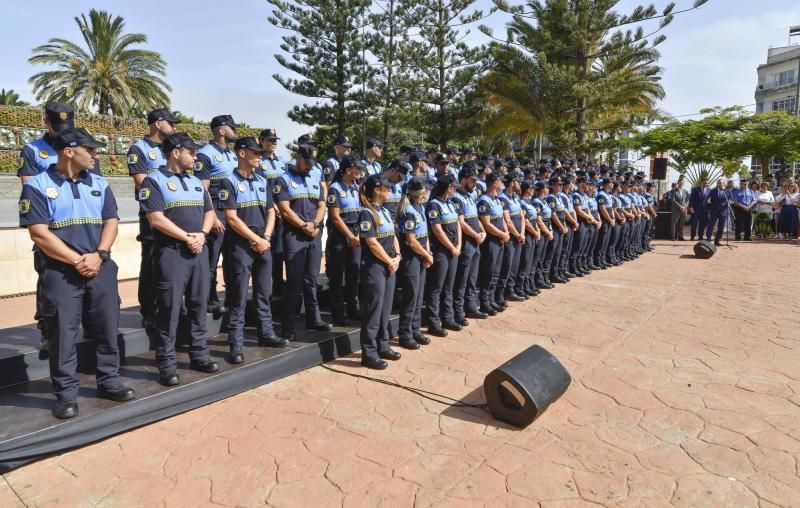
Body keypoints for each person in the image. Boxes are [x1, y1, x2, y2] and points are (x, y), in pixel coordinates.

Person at [19, 127, 134, 419]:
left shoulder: (99, 183)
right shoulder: (38, 185)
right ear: (69, 151)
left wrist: (99, 256)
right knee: (63, 335)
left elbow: (111, 221)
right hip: (61, 273)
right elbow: (40, 234)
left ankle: (108, 382)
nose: (96, 154)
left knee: (107, 328)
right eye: (91, 149)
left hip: (100, 267)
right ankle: (66, 395)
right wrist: (77, 261)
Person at [139, 133, 220, 386]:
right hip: (172, 253)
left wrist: (202, 235)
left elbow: (210, 212)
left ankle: (199, 355)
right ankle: (167, 364)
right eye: (191, 152)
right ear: (176, 152)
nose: (195, 157)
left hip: (198, 251)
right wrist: (187, 237)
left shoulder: (197, 182)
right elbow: (156, 219)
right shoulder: (154, 181)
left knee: (198, 307)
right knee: (169, 310)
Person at [219, 137, 286, 365]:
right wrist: (256, 238)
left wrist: (265, 237)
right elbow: (231, 218)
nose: (259, 156)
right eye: (255, 152)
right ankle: (236, 344)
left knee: (263, 293)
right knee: (238, 297)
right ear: (242, 154)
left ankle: (265, 334)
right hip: (241, 244)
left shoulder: (262, 181)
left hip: (263, 243)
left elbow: (270, 211)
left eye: (260, 152)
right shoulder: (228, 182)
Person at [273, 145, 333, 340]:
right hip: (294, 236)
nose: (309, 167)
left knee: (312, 279)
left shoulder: (315, 177)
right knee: (294, 282)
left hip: (313, 234)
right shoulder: (283, 179)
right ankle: (288, 325)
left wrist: (315, 223)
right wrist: (303, 225)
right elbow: (284, 209)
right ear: (297, 157)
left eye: (311, 164)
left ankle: (313, 318)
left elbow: (322, 204)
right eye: (306, 162)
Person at [127, 108, 179, 330]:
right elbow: (142, 181)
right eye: (170, 123)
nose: (174, 127)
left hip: (175, 213)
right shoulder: (139, 149)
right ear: (157, 123)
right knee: (150, 262)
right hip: (152, 213)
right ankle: (148, 310)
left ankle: (171, 306)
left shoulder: (172, 148)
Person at [196, 115, 240, 316]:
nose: (235, 131)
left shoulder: (231, 154)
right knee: (212, 259)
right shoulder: (205, 154)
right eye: (232, 127)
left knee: (231, 258)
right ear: (221, 130)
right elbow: (202, 189)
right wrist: (211, 216)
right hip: (216, 211)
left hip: (232, 211)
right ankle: (210, 298)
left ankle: (231, 297)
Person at [358, 174, 402, 370]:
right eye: (387, 187)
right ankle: (369, 353)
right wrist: (389, 261)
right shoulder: (366, 213)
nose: (390, 191)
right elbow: (372, 243)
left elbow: (393, 236)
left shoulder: (384, 211)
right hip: (374, 268)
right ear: (377, 189)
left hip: (389, 265)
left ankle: (383, 346)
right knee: (373, 312)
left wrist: (398, 256)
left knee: (385, 310)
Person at [325, 155, 364, 325]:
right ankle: (338, 313)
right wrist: (349, 236)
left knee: (353, 274)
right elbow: (335, 217)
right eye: (358, 169)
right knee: (337, 275)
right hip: (341, 236)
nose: (361, 172)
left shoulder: (356, 188)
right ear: (348, 170)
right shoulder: (335, 188)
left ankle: (353, 308)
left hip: (355, 234)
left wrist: (357, 235)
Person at [396, 176, 433, 350]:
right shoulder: (408, 211)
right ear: (420, 192)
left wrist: (427, 254)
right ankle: (405, 334)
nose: (427, 192)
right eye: (425, 189)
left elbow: (423, 236)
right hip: (411, 257)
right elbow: (411, 240)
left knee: (418, 296)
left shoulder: (420, 207)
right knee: (411, 297)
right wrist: (426, 254)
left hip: (420, 255)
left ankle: (415, 329)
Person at [425, 175, 462, 336]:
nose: (456, 189)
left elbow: (458, 225)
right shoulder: (434, 205)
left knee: (449, 286)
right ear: (448, 188)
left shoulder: (451, 203)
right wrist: (451, 247)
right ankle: (434, 323)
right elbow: (437, 230)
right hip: (441, 250)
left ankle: (448, 318)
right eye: (454, 186)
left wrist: (458, 244)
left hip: (454, 249)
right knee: (436, 288)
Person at [451, 164, 487, 321]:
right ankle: (458, 311)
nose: (475, 184)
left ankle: (471, 306)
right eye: (472, 181)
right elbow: (461, 223)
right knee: (462, 278)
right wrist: (475, 234)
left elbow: (475, 218)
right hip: (466, 243)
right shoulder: (456, 198)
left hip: (475, 242)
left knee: (472, 277)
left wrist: (483, 231)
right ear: (464, 179)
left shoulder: (470, 197)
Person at [257, 129, 288, 296]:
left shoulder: (282, 161)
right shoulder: (258, 162)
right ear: (261, 141)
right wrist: (274, 206)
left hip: (282, 212)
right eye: (270, 140)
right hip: (267, 211)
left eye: (275, 140)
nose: (273, 143)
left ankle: (278, 286)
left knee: (279, 251)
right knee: (268, 250)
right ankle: (266, 288)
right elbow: (261, 187)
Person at [477, 172, 511, 314]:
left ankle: (491, 300)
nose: (502, 183)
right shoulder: (484, 200)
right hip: (491, 241)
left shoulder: (496, 199)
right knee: (488, 272)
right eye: (500, 181)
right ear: (495, 183)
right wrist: (502, 234)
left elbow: (502, 218)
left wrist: (506, 232)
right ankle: (484, 302)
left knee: (496, 272)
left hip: (500, 239)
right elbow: (486, 224)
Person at [497, 173, 526, 301]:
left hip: (519, 236)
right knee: (507, 265)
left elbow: (521, 217)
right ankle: (500, 293)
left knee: (514, 265)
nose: (519, 184)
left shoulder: (515, 198)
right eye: (517, 181)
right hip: (511, 237)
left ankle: (510, 289)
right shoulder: (503, 198)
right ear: (512, 182)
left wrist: (522, 233)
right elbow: (507, 220)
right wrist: (517, 234)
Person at [706, 179, 732, 246]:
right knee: (711, 225)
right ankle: (708, 239)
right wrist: (708, 202)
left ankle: (717, 241)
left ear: (724, 184)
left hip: (723, 211)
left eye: (720, 183)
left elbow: (732, 200)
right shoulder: (712, 191)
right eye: (718, 183)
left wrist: (730, 203)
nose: (719, 184)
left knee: (721, 227)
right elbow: (707, 199)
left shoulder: (728, 191)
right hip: (714, 211)